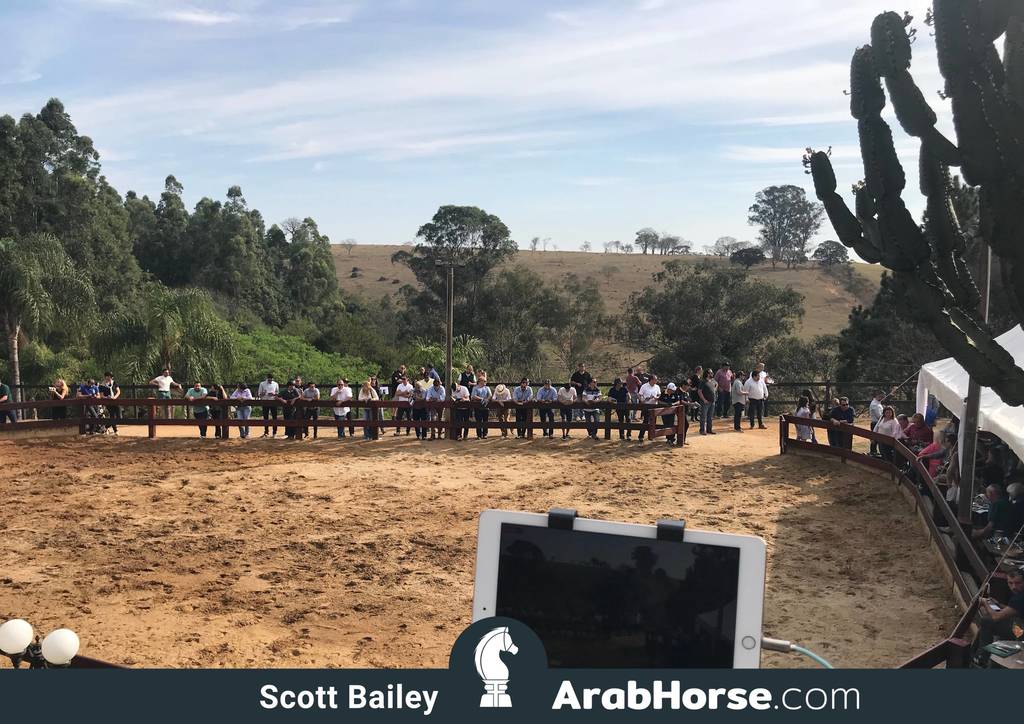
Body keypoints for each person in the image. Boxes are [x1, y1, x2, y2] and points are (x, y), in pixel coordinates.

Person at [974, 568, 1024, 665]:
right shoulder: (1019, 596)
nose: (1014, 587)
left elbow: (996, 617)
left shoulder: (1019, 598)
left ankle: (982, 657)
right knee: (1008, 622)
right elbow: (1014, 610)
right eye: (1010, 583)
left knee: (987, 621)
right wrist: (999, 604)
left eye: (1018, 583)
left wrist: (985, 603)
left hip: (1021, 633)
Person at [637, 374, 661, 442]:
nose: (656, 381)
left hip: (654, 406)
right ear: (651, 380)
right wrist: (642, 400)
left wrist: (657, 398)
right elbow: (639, 395)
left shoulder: (657, 387)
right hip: (646, 406)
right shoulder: (644, 386)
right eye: (655, 379)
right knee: (645, 421)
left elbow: (659, 394)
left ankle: (652, 436)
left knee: (653, 422)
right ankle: (641, 436)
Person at [258, 373, 280, 438]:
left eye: (271, 379)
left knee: (274, 417)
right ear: (267, 378)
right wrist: (263, 393)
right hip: (265, 401)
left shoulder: (275, 384)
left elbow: (278, 393)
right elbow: (259, 394)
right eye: (269, 379)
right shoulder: (262, 384)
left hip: (273, 402)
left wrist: (273, 394)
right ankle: (266, 432)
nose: (270, 381)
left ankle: (274, 432)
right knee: (265, 417)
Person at [697, 369, 715, 435]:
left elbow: (715, 386)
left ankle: (709, 429)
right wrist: (704, 400)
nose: (712, 374)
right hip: (705, 402)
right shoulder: (703, 381)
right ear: (707, 374)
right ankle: (702, 430)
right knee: (703, 416)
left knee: (710, 417)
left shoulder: (712, 381)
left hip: (712, 402)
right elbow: (699, 391)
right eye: (711, 373)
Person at [868, 390, 884, 456]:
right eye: (881, 396)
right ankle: (873, 451)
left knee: (876, 438)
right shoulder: (875, 404)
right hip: (875, 423)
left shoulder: (878, 403)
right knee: (875, 438)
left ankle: (874, 451)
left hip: (878, 422)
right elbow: (879, 416)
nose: (882, 398)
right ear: (878, 396)